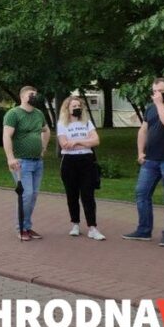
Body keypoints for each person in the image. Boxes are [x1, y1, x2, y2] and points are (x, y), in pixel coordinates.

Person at [123, 77, 164, 247]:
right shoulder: (150, 109)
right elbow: (143, 131)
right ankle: (144, 230)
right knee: (141, 193)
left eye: (161, 91)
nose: (158, 95)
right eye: (154, 92)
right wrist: (140, 152)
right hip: (150, 160)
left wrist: (160, 105)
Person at [3, 86, 51, 242]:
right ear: (23, 96)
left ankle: (27, 226)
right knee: (26, 195)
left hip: (37, 162)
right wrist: (10, 158)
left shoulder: (38, 114)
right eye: (32, 94)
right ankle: (21, 228)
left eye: (36, 94)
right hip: (21, 162)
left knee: (33, 195)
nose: (34, 96)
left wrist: (43, 147)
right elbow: (6, 136)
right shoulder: (13, 114)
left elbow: (46, 130)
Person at [57, 96, 105, 241]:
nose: (77, 108)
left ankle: (92, 227)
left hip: (86, 161)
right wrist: (86, 142)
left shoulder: (87, 123)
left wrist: (77, 141)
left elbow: (96, 141)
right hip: (69, 162)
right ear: (68, 108)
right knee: (72, 194)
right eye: (74, 106)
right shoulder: (62, 124)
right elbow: (64, 144)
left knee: (88, 195)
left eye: (79, 106)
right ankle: (75, 224)